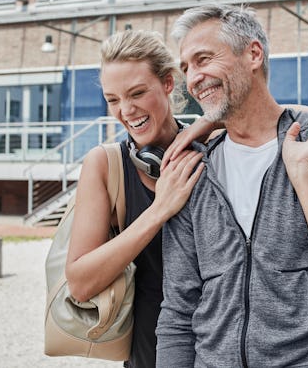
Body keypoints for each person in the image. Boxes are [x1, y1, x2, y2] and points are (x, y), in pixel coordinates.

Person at [156, 4, 308, 367]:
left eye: (203, 59)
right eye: (186, 68)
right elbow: (179, 309)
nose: (193, 78)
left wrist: (304, 177)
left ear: (253, 54)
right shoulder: (192, 170)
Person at [65, 29, 206, 368]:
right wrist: (158, 211)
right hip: (149, 355)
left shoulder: (213, 144)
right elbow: (80, 283)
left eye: (137, 93)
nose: (126, 111)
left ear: (169, 84)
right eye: (113, 100)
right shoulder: (104, 165)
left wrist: (213, 121)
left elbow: (269, 112)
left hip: (223, 350)